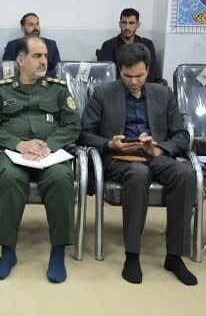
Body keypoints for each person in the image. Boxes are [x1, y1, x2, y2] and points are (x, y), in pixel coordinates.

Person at [80, 43, 197, 286]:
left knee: (185, 173)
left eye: (139, 76)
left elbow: (181, 135)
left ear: (149, 71)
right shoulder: (103, 93)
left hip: (155, 155)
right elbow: (83, 133)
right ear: (119, 70)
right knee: (138, 173)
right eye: (127, 75)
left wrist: (159, 148)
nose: (133, 81)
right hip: (119, 158)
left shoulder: (163, 94)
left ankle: (174, 256)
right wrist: (110, 144)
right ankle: (132, 255)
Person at [0, 35, 80, 283]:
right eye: (37, 56)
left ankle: (58, 252)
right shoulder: (0, 90)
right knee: (10, 179)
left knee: (61, 179)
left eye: (45, 56)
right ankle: (7, 251)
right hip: (13, 153)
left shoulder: (58, 89)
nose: (43, 60)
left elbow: (72, 126)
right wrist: (17, 143)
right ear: (20, 60)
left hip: (49, 154)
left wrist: (49, 145)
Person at [98, 8, 161, 83]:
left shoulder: (147, 44)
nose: (127, 27)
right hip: (118, 87)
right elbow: (108, 75)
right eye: (124, 23)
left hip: (142, 86)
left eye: (131, 23)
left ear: (138, 25)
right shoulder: (108, 45)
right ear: (119, 24)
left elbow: (151, 72)